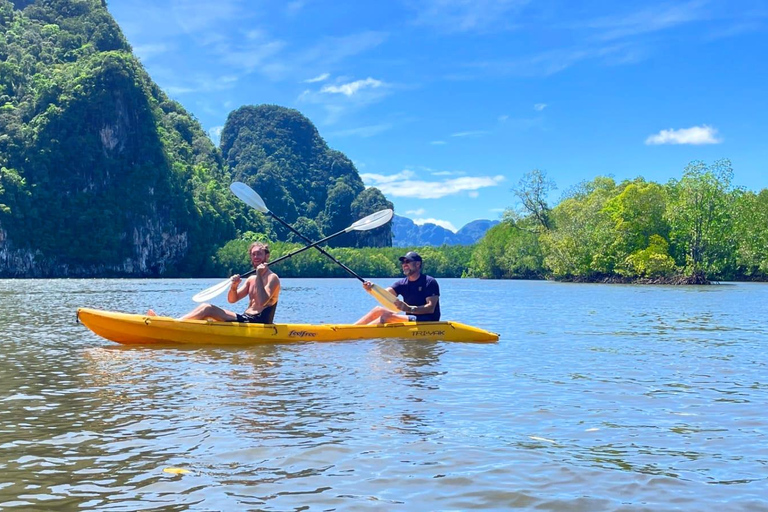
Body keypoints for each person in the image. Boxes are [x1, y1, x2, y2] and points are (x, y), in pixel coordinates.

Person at [147, 242, 280, 323]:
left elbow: (263, 301)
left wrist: (258, 274)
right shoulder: (251, 279)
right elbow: (232, 300)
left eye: (259, 254)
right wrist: (234, 287)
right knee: (205, 307)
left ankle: (173, 324)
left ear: (267, 256)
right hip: (246, 318)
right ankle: (175, 322)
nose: (256, 257)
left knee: (208, 309)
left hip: (259, 322)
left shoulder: (272, 278)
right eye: (253, 254)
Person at [355, 251, 440, 325]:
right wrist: (371, 289)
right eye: (403, 262)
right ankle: (352, 329)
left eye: (408, 261)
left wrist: (409, 309)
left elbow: (430, 308)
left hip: (427, 321)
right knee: (378, 310)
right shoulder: (402, 283)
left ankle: (359, 334)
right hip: (411, 318)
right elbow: (385, 294)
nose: (404, 264)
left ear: (418, 264)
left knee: (386, 317)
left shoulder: (429, 282)